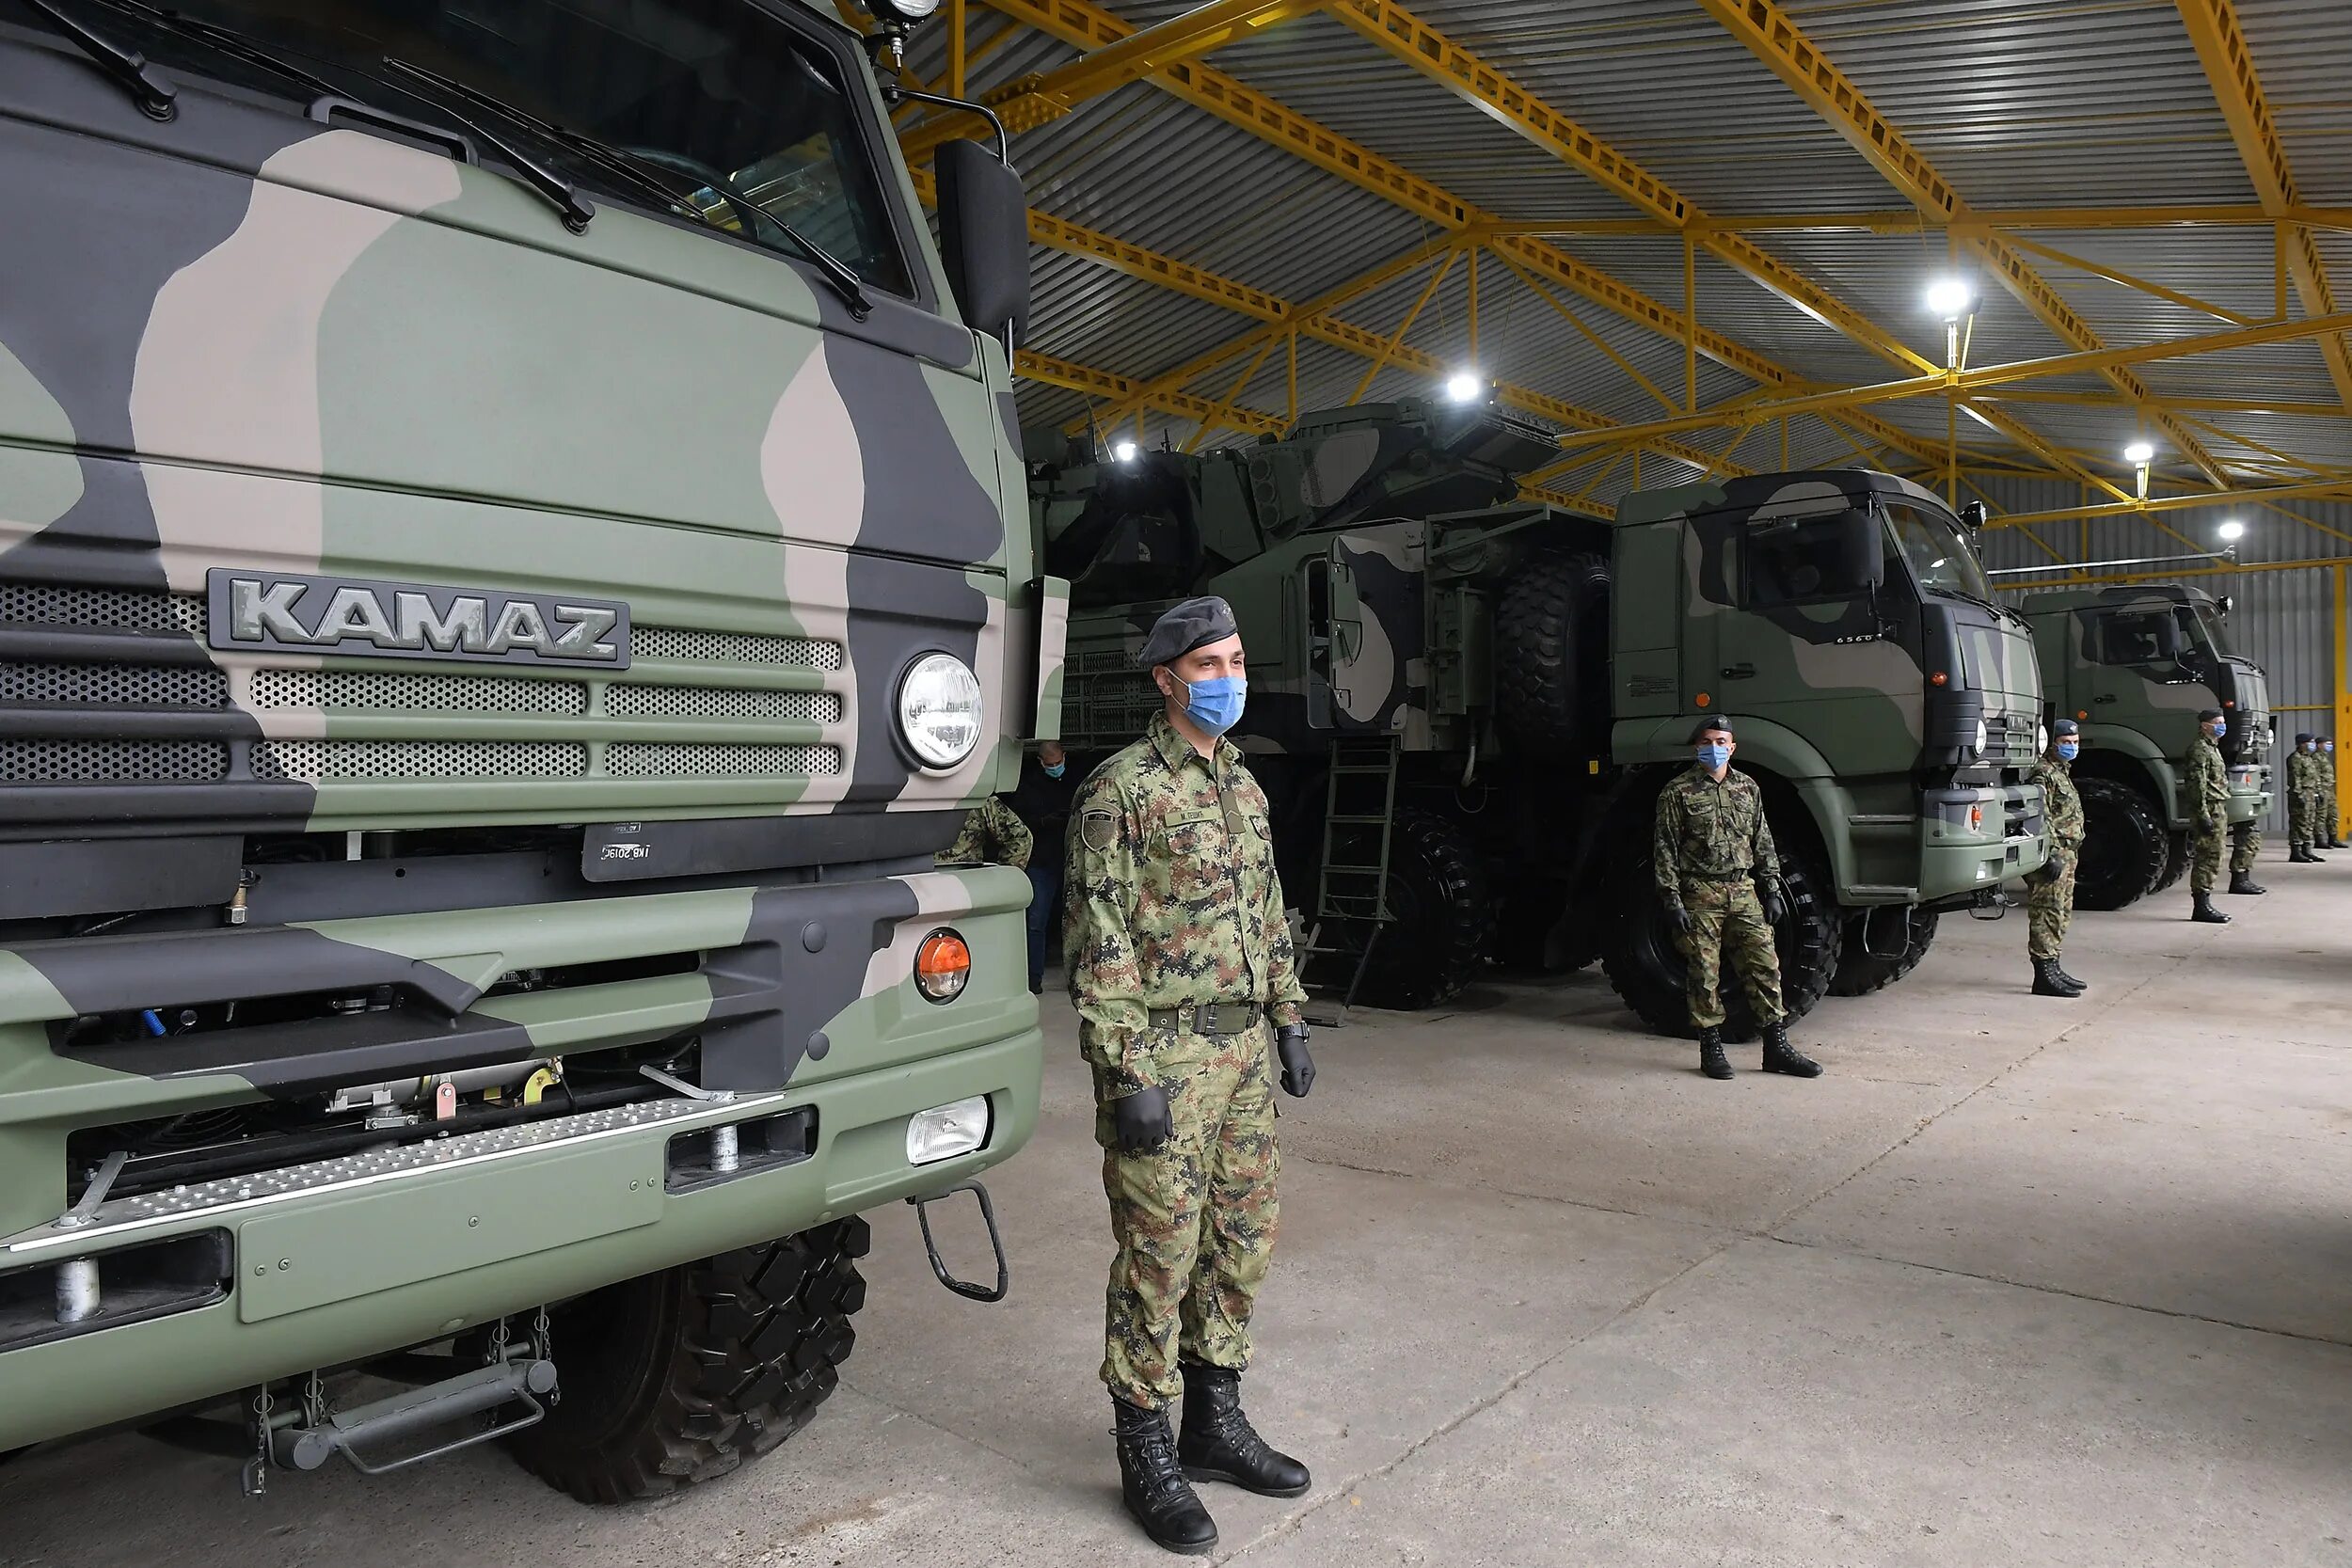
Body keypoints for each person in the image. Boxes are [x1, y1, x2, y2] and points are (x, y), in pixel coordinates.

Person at [1063, 594, 1316, 1556]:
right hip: (1164, 1056)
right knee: (1158, 1257)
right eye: (1208, 664)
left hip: (1244, 1052)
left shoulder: (1242, 787)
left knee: (1241, 1238)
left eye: (1237, 660)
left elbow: (1267, 914)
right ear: (1165, 677)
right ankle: (1144, 1447)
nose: (1227, 679)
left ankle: (1213, 1421)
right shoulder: (1117, 790)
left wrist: (1287, 1019)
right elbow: (1099, 939)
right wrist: (1126, 1072)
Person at [1653, 717, 1822, 1082]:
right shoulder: (1677, 792)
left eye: (1721, 741)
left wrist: (1772, 888)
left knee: (1764, 964)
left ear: (1732, 748)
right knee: (1704, 973)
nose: (1713, 748)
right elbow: (1665, 849)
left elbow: (1762, 839)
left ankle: (1776, 1046)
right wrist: (1672, 900)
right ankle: (1710, 1046)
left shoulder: (1748, 788)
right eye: (1707, 741)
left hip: (1742, 890)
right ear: (1696, 746)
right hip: (1699, 891)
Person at [1008, 740, 1077, 991]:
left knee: (1077, 921)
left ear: (1065, 756)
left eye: (1058, 763)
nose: (1055, 767)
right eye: (1050, 764)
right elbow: (1016, 824)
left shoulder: (1077, 781)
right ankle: (1032, 980)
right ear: (1040, 762)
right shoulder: (1029, 786)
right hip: (1042, 861)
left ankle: (1078, 980)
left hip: (1071, 860)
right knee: (1036, 922)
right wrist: (1045, 822)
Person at [2026, 720, 2088, 996]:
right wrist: (2049, 853)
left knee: (2061, 911)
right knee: (2046, 910)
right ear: (2052, 743)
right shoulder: (2043, 773)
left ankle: (2054, 965)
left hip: (2068, 852)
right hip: (2054, 853)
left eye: (2075, 742)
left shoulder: (2062, 772)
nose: (2072, 747)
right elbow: (2041, 814)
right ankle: (2043, 973)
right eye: (2066, 742)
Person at [2185, 708, 2233, 924]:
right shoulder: (2200, 749)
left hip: (2217, 806)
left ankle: (2205, 901)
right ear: (2205, 725)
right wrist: (2202, 813)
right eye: (2217, 722)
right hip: (2209, 808)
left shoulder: (2213, 748)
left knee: (2215, 855)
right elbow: (2197, 784)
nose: (2222, 726)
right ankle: (2201, 906)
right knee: (2207, 856)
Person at [935, 792, 1031, 875]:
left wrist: (1001, 879)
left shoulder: (978, 801)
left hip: (965, 880)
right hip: (924, 879)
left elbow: (1021, 839)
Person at [2287, 733, 2324, 863]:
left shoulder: (2309, 758)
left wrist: (2318, 793)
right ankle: (2296, 851)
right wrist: (2298, 794)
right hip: (2301, 793)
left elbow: (2315, 777)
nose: (2312, 744)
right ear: (2302, 743)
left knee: (2309, 822)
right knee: (2298, 823)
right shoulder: (2295, 758)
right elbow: (2295, 778)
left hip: (2310, 793)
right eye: (2310, 742)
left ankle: (2307, 850)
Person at [2322, 736, 2345, 849]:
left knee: (2333, 814)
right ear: (2320, 744)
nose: (2329, 745)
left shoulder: (2325, 757)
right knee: (2321, 816)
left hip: (2329, 790)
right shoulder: (2316, 758)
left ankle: (2333, 838)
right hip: (2322, 790)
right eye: (2327, 743)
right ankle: (2319, 840)